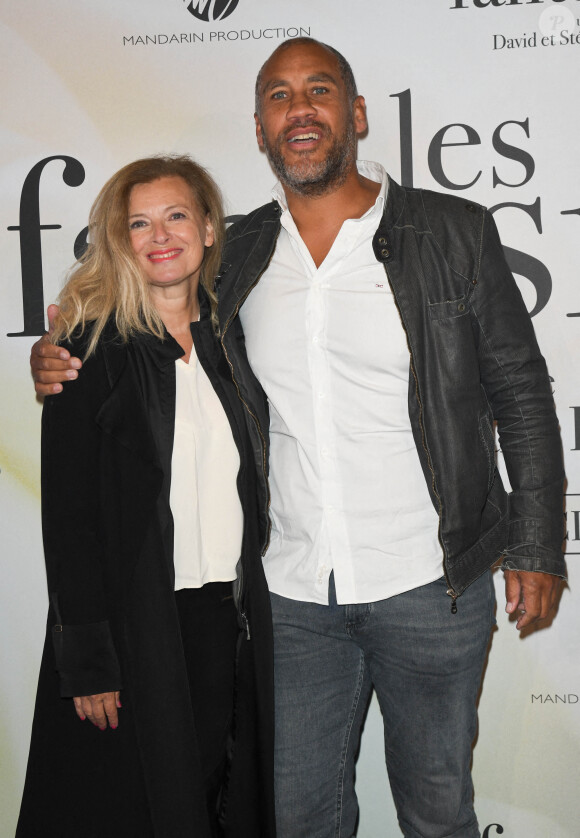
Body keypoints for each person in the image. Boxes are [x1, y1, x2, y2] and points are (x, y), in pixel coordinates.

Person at [31, 38, 566, 838]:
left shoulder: (452, 234)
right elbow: (151, 313)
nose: (300, 109)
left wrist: (536, 542)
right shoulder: (240, 253)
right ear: (259, 129)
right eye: (279, 96)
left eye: (319, 91)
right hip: (292, 600)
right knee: (301, 819)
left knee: (437, 812)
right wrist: (62, 348)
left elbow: (521, 393)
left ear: (354, 115)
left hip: (430, 584)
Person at [19, 155, 275, 838]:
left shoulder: (233, 341)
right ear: (118, 238)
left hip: (227, 624)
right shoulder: (86, 350)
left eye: (176, 216)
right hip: (135, 636)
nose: (159, 236)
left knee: (217, 802)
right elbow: (68, 519)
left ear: (211, 229)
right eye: (139, 223)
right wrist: (90, 661)